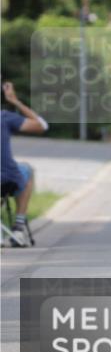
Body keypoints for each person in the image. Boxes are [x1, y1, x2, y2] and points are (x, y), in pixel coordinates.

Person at [1, 82, 49, 247]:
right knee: (26, 169)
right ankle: (18, 229)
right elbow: (42, 125)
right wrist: (15, 101)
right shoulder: (5, 117)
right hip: (6, 178)